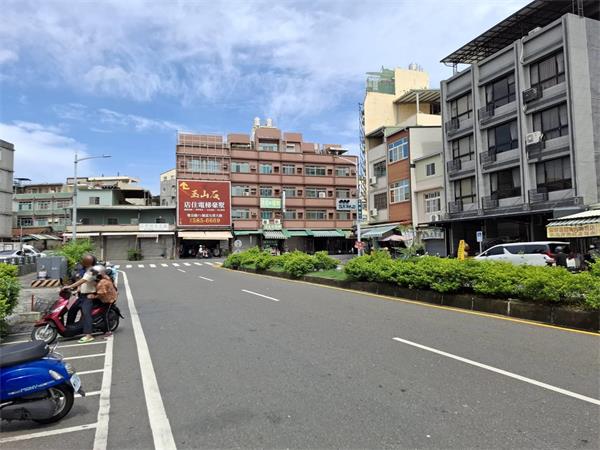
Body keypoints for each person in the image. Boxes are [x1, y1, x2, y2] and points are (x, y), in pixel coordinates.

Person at [65, 255, 102, 343]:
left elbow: (83, 280)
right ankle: (69, 330)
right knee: (72, 310)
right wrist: (76, 290)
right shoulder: (86, 270)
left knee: (86, 314)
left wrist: (69, 286)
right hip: (81, 296)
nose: (82, 261)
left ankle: (89, 335)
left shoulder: (93, 271)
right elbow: (83, 282)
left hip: (89, 296)